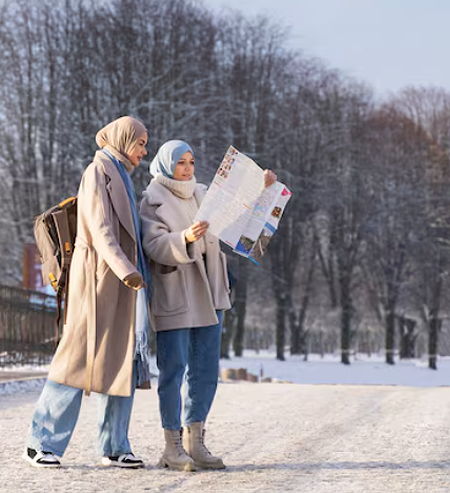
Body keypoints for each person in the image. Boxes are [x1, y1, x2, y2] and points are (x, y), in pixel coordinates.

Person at [24, 116, 152, 469]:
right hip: (98, 279)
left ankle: (115, 445)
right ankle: (40, 442)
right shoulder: (97, 172)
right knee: (75, 358)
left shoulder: (121, 174)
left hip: (120, 282)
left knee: (121, 360)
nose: (144, 150)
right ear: (123, 139)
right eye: (140, 142)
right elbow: (99, 229)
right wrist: (126, 269)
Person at [139, 140, 275, 471]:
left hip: (211, 291)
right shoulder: (152, 199)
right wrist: (184, 238)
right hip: (178, 291)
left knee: (205, 370)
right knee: (173, 370)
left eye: (191, 161)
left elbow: (233, 212)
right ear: (166, 165)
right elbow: (152, 244)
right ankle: (172, 446)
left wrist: (262, 189)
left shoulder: (201, 193)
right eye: (181, 162)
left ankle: (194, 441)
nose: (188, 168)